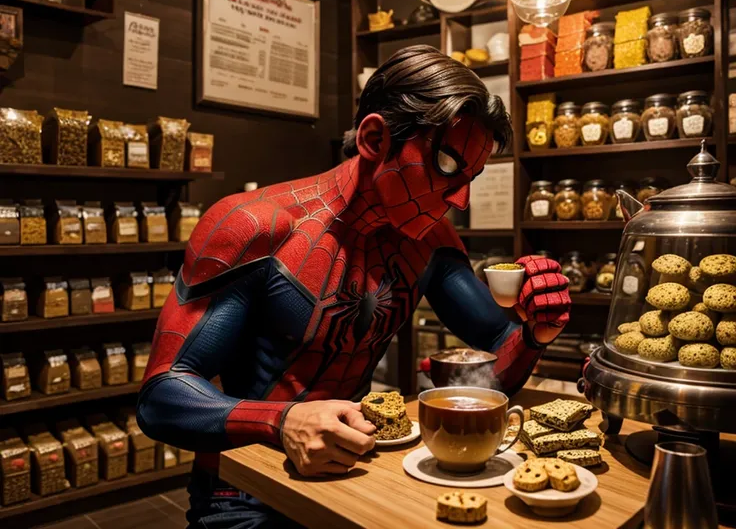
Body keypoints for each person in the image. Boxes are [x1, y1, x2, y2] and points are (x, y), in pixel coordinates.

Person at [137, 45, 571, 528]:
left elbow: (496, 351)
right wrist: (279, 421)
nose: (461, 199)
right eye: (447, 166)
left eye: (472, 177)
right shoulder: (253, 226)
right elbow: (160, 397)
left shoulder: (428, 241)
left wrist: (535, 331)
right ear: (374, 138)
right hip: (243, 488)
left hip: (356, 473)